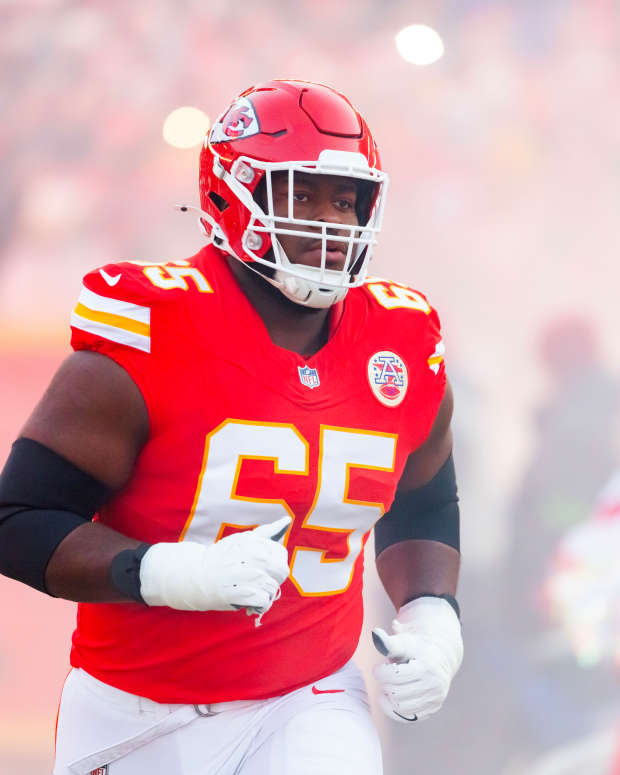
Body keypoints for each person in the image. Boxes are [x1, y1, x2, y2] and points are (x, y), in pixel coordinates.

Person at [0, 79, 463, 775]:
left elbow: (423, 499)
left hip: (308, 696)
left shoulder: (398, 339)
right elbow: (18, 517)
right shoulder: (152, 329)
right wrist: (165, 570)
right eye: (300, 194)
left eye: (345, 200)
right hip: (136, 707)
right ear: (229, 191)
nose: (329, 221)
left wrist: (434, 616)